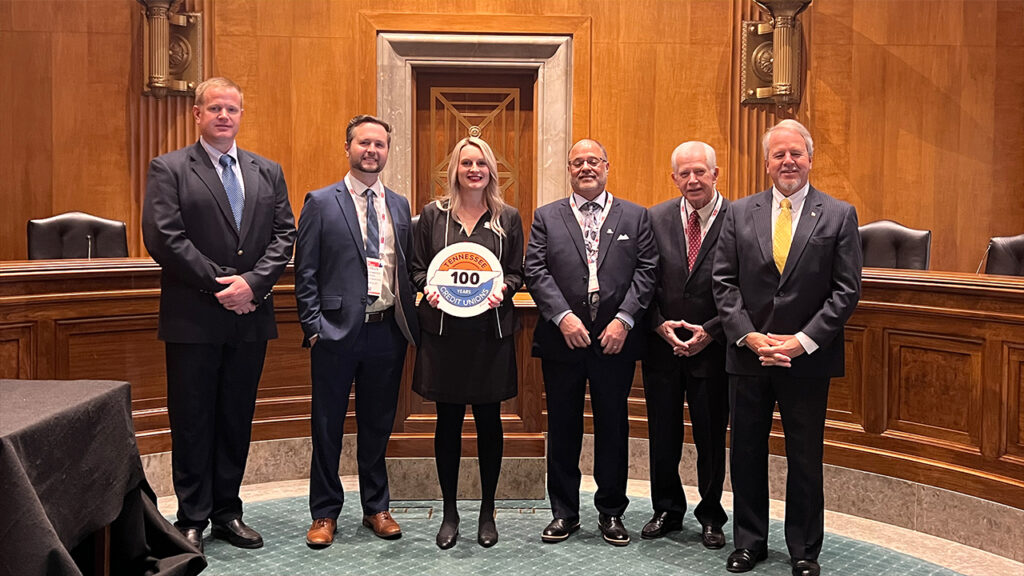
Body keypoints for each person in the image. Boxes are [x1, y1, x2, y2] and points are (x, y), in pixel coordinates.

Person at [142, 77, 296, 553]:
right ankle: (191, 517)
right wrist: (222, 285)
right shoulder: (169, 169)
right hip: (194, 318)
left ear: (241, 115)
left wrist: (252, 284)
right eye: (215, 109)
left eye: (232, 109)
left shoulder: (266, 171)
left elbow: (283, 234)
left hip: (250, 316)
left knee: (235, 417)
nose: (224, 116)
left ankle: (228, 513)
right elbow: (164, 237)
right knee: (191, 418)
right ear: (197, 114)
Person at [712, 119, 862, 576]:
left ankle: (803, 550)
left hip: (807, 361)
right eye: (778, 155)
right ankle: (749, 542)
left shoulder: (838, 214)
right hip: (749, 355)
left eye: (795, 153)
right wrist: (750, 335)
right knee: (747, 455)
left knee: (804, 458)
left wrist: (801, 342)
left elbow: (845, 291)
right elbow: (723, 283)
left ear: (810, 159)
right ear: (766, 164)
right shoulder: (738, 213)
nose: (788, 161)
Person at [294, 115, 420, 549]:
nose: (372, 150)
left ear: (388, 151)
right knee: (326, 425)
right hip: (334, 333)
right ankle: (325, 513)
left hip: (387, 332)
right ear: (347, 148)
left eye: (380, 144)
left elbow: (406, 267)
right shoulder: (321, 201)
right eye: (364, 143)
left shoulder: (400, 205)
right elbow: (304, 270)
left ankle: (376, 508)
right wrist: (313, 327)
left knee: (378, 424)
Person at [525, 139, 657, 547]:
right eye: (577, 162)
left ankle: (612, 512)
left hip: (614, 341)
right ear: (569, 169)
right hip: (562, 340)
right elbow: (535, 268)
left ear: (607, 165)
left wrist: (624, 320)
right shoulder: (547, 216)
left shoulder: (636, 216)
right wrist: (562, 317)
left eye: (593, 160)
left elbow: (647, 271)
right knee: (563, 427)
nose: (586, 167)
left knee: (613, 427)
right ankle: (564, 513)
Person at [410, 136, 525, 550]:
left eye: (481, 163)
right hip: (444, 338)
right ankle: (450, 512)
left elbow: (515, 272)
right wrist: (429, 287)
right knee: (448, 425)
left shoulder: (507, 217)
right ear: (454, 170)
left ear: (491, 170)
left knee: (490, 425)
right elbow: (417, 268)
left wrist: (504, 290)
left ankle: (488, 510)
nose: (473, 170)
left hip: (490, 337)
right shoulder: (431, 215)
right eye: (465, 163)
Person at [641, 141, 730, 549]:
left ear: (715, 173)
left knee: (711, 436)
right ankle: (666, 509)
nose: (692, 180)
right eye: (684, 174)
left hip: (714, 348)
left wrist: (709, 330)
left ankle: (711, 514)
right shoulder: (654, 217)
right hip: (662, 347)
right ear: (673, 177)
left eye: (700, 172)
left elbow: (746, 285)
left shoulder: (739, 218)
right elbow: (641, 278)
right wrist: (659, 326)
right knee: (663, 432)